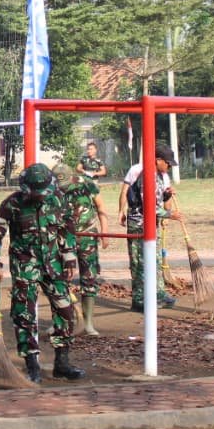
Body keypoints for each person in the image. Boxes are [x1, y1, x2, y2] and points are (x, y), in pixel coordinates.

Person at [0, 163, 83, 383]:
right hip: (24, 266)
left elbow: (67, 229)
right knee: (25, 315)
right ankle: (32, 365)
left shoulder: (58, 199)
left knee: (65, 311)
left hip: (53, 265)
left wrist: (69, 259)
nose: (41, 197)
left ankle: (62, 363)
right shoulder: (12, 204)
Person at [118, 143, 182, 312]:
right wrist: (169, 215)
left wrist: (166, 195)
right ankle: (139, 299)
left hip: (152, 224)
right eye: (167, 163)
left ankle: (158, 294)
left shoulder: (159, 176)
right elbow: (148, 206)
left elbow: (157, 200)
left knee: (156, 260)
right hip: (139, 225)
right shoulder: (147, 176)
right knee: (140, 263)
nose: (169, 167)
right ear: (158, 160)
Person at [60, 173, 109, 335]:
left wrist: (105, 232)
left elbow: (101, 207)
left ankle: (88, 323)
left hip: (87, 235)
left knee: (89, 277)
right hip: (64, 236)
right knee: (59, 278)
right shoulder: (51, 186)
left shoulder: (86, 183)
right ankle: (61, 322)